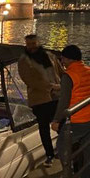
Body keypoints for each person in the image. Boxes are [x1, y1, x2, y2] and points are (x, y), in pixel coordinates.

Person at [51, 45, 90, 178]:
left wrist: (56, 120)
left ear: (67, 59)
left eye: (63, 58)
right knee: (89, 147)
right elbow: (82, 87)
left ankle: (68, 176)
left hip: (78, 119)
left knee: (62, 145)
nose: (62, 61)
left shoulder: (69, 75)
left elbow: (64, 101)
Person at [18, 34, 63, 166]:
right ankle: (49, 154)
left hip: (57, 96)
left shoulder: (50, 56)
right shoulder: (24, 61)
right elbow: (29, 80)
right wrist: (50, 87)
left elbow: (60, 71)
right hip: (40, 99)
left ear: (39, 43)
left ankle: (61, 150)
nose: (32, 47)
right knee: (44, 128)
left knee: (61, 125)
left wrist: (66, 82)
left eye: (34, 44)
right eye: (29, 44)